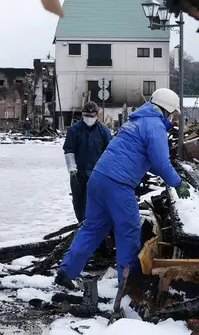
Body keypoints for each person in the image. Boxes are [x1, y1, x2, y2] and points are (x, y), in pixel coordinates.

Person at [55, 88, 190, 289]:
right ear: (168, 109)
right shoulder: (155, 126)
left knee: (92, 228)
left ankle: (66, 272)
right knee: (128, 230)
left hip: (98, 179)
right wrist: (177, 183)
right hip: (118, 185)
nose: (172, 117)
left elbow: (149, 160)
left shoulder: (136, 120)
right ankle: (129, 283)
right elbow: (161, 162)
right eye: (173, 113)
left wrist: (166, 173)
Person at [63, 101, 113, 223]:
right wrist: (72, 169)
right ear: (82, 114)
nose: (89, 118)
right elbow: (69, 150)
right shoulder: (74, 130)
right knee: (78, 201)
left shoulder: (104, 131)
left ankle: (91, 226)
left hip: (97, 174)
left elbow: (110, 152)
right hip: (78, 174)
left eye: (92, 116)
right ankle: (81, 224)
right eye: (86, 115)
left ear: (97, 115)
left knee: (93, 203)